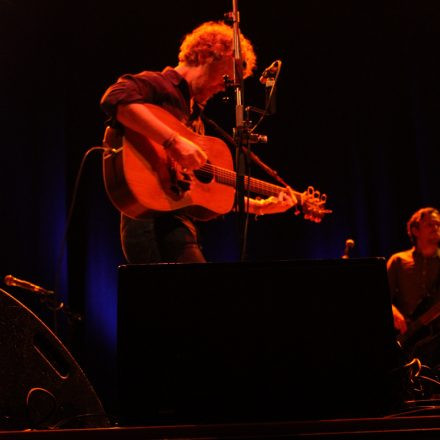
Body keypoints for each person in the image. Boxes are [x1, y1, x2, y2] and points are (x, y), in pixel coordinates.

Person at [100, 20, 297, 264]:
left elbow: (206, 193)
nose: (225, 87)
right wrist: (173, 141)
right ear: (205, 54)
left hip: (179, 224)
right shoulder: (160, 84)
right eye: (225, 77)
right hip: (150, 220)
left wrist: (260, 207)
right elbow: (115, 97)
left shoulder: (196, 117)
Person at [387, 207, 440, 367]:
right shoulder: (398, 261)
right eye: (430, 224)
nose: (435, 228)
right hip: (406, 339)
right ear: (415, 230)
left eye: (438, 224)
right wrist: (393, 312)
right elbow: (379, 296)